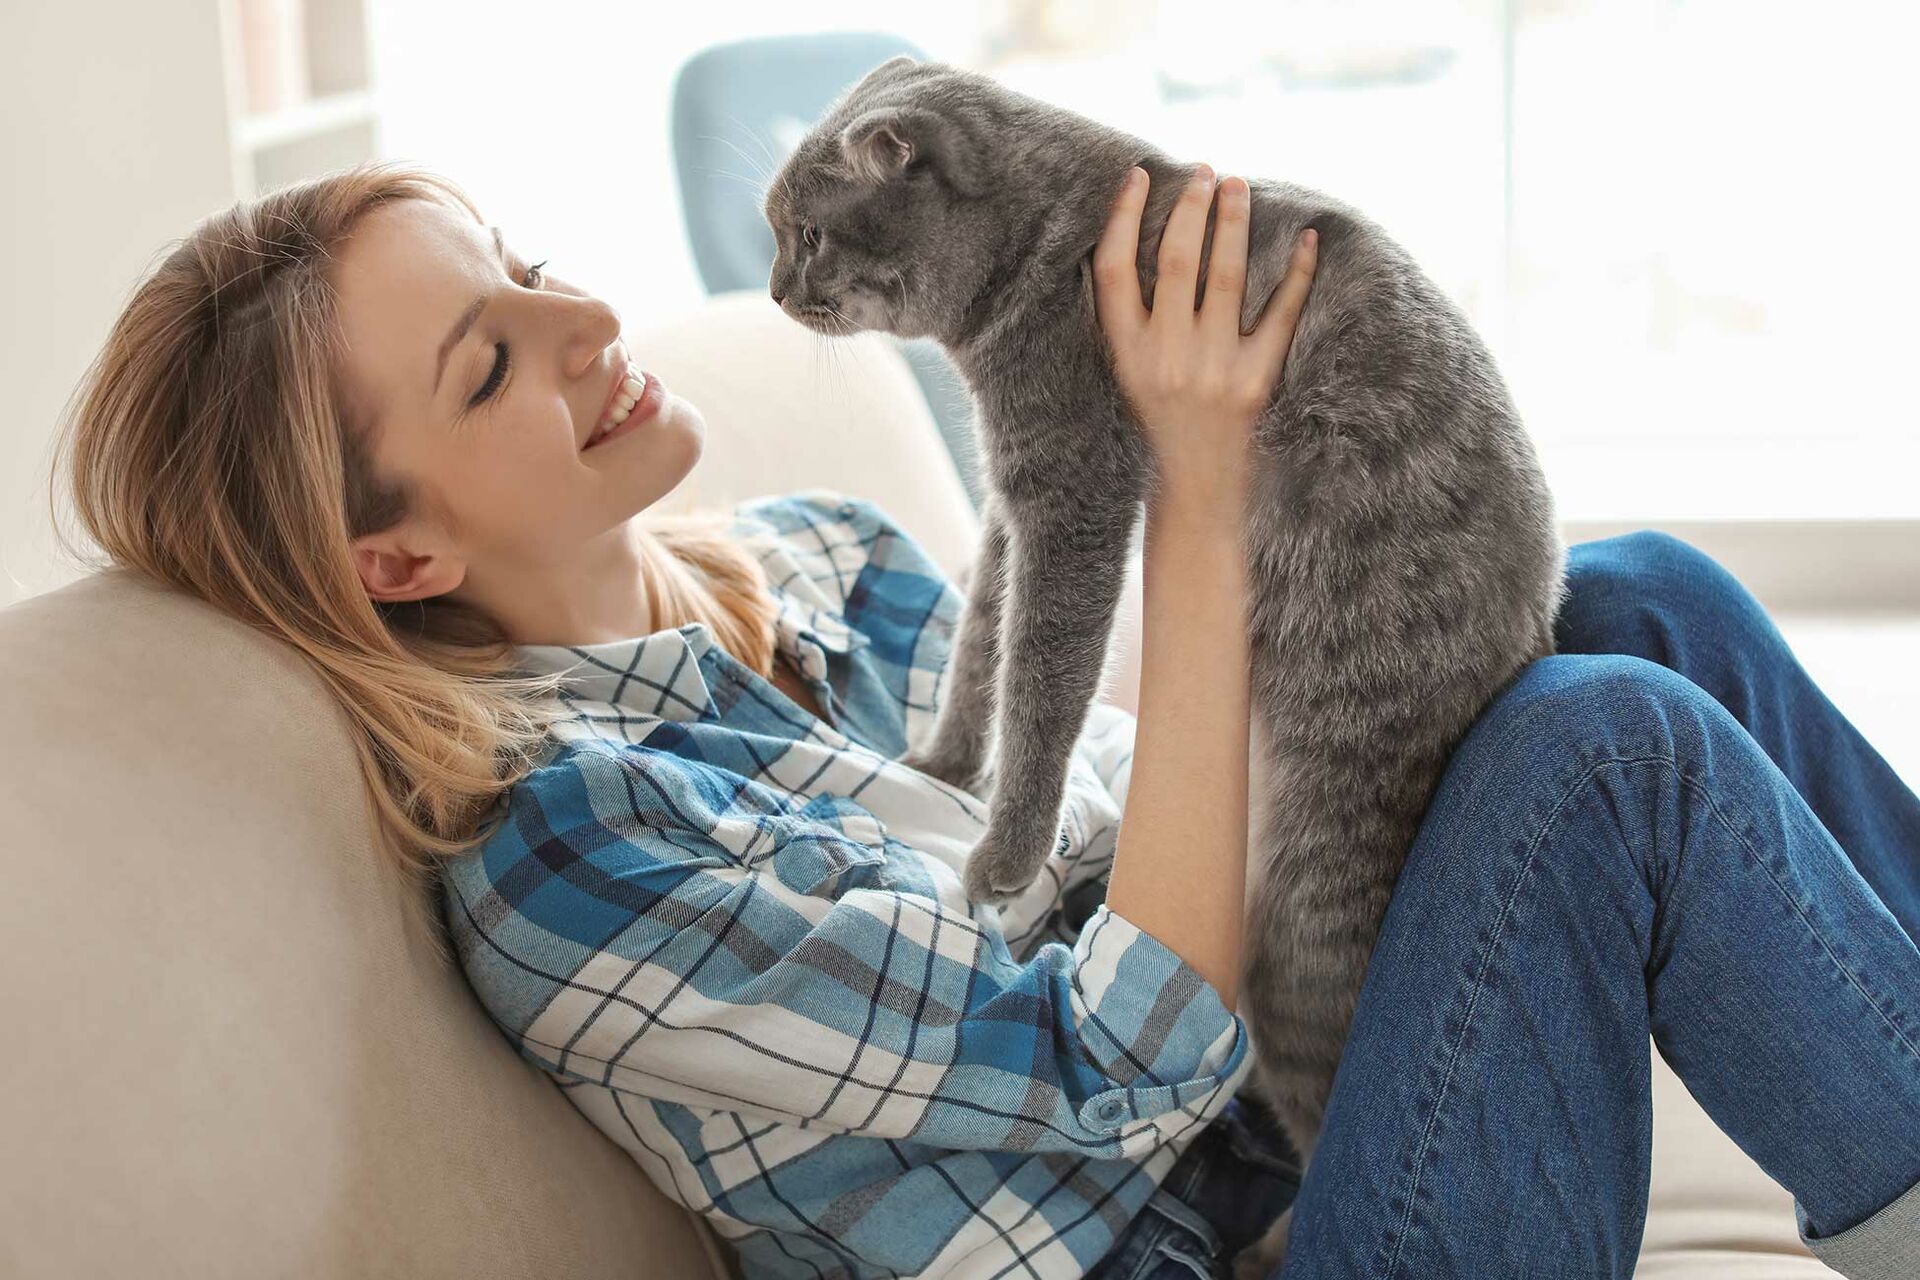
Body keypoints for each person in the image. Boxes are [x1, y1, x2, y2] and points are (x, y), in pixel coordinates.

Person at [48, 154, 1917, 1280]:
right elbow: (1136, 1057)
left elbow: (1147, 821)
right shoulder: (569, 849)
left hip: (1297, 1125)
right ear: (392, 559)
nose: (587, 319)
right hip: (1239, 1227)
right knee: (1605, 745)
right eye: (492, 364)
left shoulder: (824, 571)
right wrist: (1193, 487)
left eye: (527, 270)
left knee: (1641, 598)